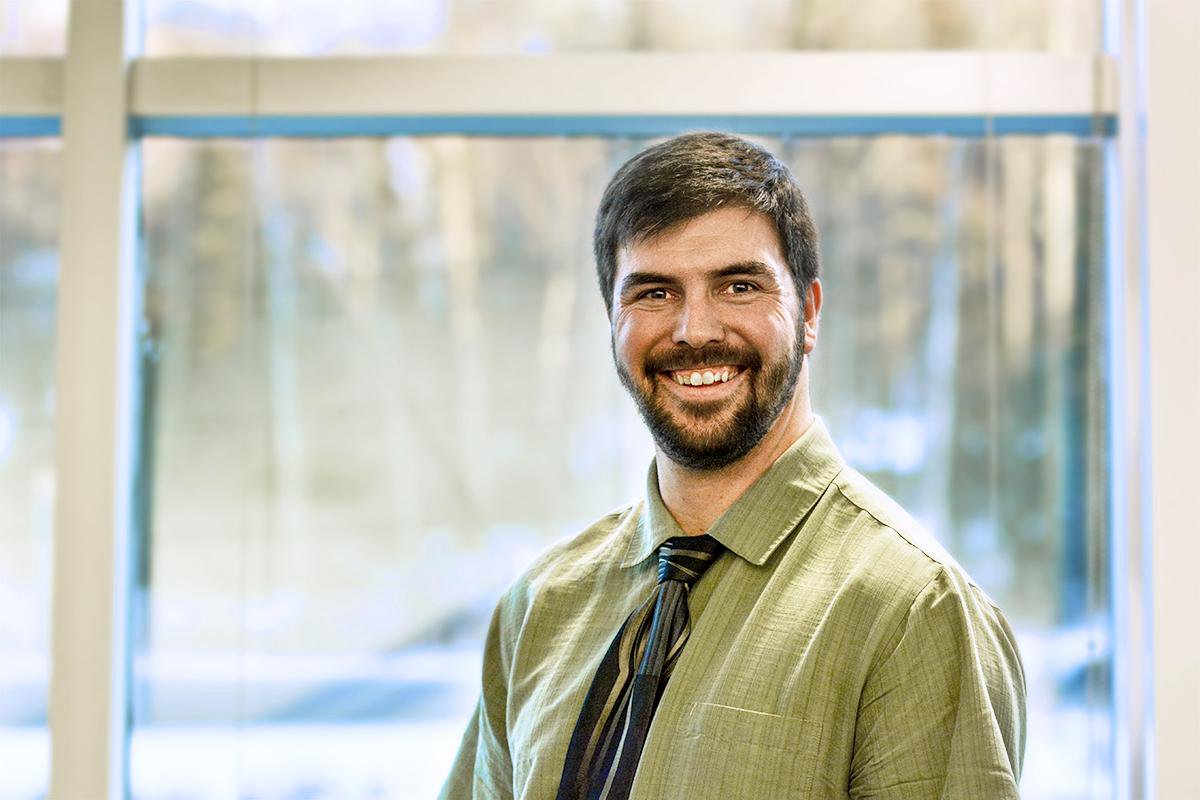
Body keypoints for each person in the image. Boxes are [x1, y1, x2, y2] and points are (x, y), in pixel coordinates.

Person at [438, 132, 1025, 800]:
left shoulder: (913, 613)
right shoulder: (539, 607)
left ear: (807, 313)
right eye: (654, 293)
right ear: (612, 319)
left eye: (739, 286)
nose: (694, 329)